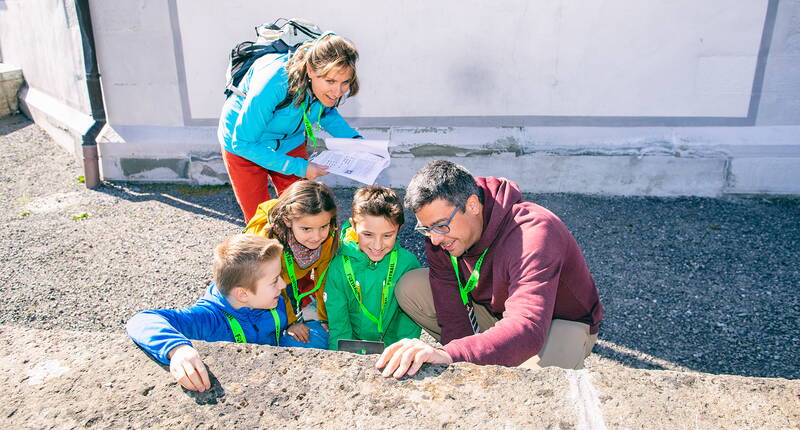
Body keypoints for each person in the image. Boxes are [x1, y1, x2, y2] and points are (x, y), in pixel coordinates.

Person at [375, 160, 604, 379]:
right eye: (426, 228)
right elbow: (450, 306)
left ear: (473, 205)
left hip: (558, 323)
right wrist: (460, 363)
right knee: (409, 287)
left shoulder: (534, 232)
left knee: (527, 390)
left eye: (441, 225)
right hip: (500, 312)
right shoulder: (442, 236)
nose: (434, 239)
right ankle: (497, 348)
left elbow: (527, 327)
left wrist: (451, 354)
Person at [219, 33, 362, 222]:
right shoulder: (273, 83)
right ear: (310, 70)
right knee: (259, 220)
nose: (337, 92)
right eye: (330, 81)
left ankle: (295, 251)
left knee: (304, 214)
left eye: (345, 83)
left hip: (288, 141)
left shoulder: (321, 87)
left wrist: (356, 143)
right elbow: (243, 143)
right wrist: (299, 167)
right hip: (245, 144)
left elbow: (326, 112)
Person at [126, 234, 287, 392]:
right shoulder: (208, 319)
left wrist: (293, 324)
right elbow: (141, 320)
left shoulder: (269, 298)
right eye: (275, 280)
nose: (283, 284)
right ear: (243, 294)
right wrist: (177, 349)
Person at [325, 185, 422, 350]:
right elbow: (339, 324)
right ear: (353, 226)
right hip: (352, 349)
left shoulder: (407, 264)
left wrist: (403, 351)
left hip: (394, 348)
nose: (377, 246)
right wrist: (340, 357)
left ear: (399, 229)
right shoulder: (338, 266)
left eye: (387, 235)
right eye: (368, 235)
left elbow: (409, 320)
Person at [244, 180, 337, 349]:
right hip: (261, 283)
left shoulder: (328, 237)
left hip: (286, 277)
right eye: (306, 229)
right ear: (287, 221)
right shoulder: (267, 244)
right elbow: (274, 287)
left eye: (323, 226)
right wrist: (291, 322)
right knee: (264, 323)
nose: (317, 237)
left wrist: (325, 317)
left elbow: (324, 280)